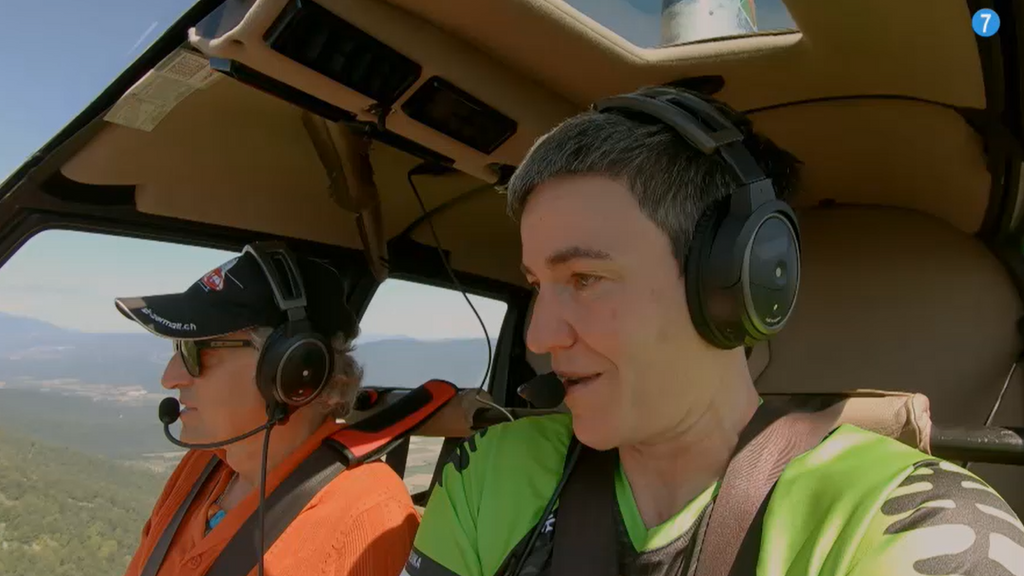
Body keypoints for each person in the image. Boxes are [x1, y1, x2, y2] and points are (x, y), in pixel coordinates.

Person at [405, 88, 1024, 576]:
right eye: (538, 285)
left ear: (730, 285)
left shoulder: (918, 521)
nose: (539, 338)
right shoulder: (489, 471)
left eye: (586, 279)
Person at [118, 243, 417, 576]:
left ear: (293, 370)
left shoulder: (366, 518)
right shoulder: (201, 467)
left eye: (194, 350)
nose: (170, 378)